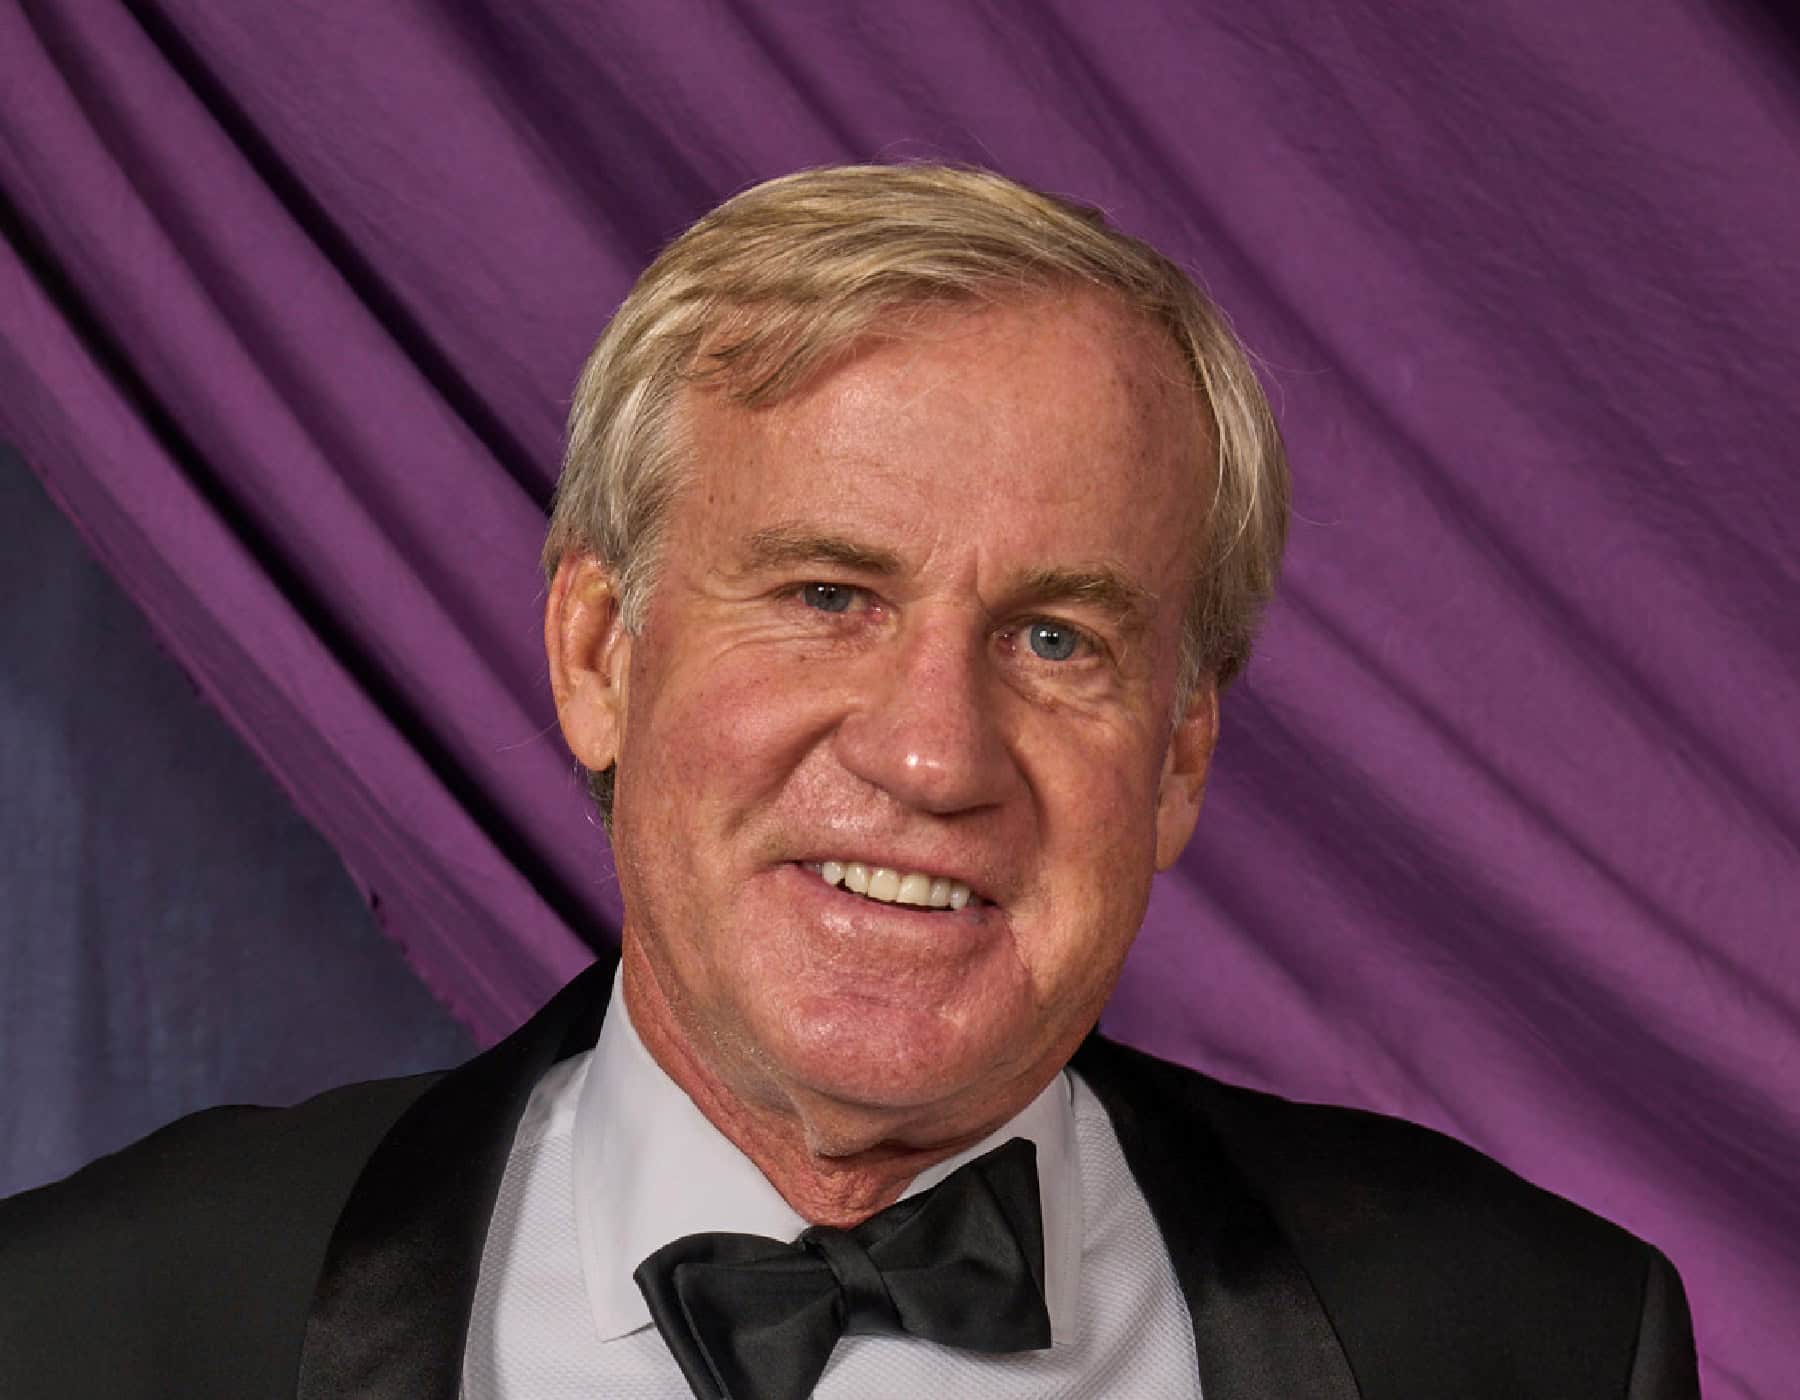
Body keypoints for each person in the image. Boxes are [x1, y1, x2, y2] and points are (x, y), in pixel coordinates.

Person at [0, 165, 1698, 1399]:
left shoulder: (1533, 1341)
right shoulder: (79, 1331)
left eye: (1056, 639)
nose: (932, 754)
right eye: (829, 597)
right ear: (598, 655)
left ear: (1181, 754)